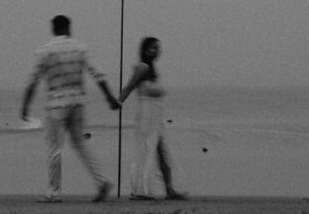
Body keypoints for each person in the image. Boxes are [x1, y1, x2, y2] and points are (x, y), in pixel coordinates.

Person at [21, 15, 120, 202]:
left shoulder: (44, 52)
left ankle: (54, 193)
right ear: (68, 28)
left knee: (54, 148)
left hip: (55, 105)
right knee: (80, 144)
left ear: (53, 29)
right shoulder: (80, 48)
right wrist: (110, 99)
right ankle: (102, 181)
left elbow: (33, 81)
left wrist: (25, 106)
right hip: (78, 103)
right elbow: (98, 74)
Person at [119, 37, 186, 200]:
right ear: (145, 50)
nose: (157, 51)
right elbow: (129, 86)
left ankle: (170, 188)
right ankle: (140, 190)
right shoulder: (142, 68)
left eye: (158, 48)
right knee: (145, 151)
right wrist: (118, 102)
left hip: (157, 117)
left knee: (162, 152)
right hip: (146, 116)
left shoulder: (153, 71)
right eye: (153, 48)